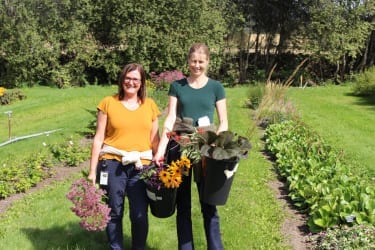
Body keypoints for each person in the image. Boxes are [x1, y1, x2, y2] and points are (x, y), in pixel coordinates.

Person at [154, 43, 228, 250]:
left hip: (206, 150)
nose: (197, 65)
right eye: (193, 61)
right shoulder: (177, 86)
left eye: (201, 62)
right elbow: (170, 118)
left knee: (209, 203)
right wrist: (161, 148)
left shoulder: (216, 87)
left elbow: (224, 123)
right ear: (188, 61)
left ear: (207, 62)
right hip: (181, 148)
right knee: (183, 203)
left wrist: (217, 144)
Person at [88, 63, 160, 250]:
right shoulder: (108, 103)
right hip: (112, 163)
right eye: (128, 78)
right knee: (114, 211)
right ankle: (116, 247)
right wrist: (91, 172)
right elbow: (98, 138)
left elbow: (155, 140)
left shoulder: (150, 106)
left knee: (139, 214)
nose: (131, 82)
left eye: (136, 79)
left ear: (142, 83)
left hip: (141, 166)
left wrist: (161, 164)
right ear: (122, 80)